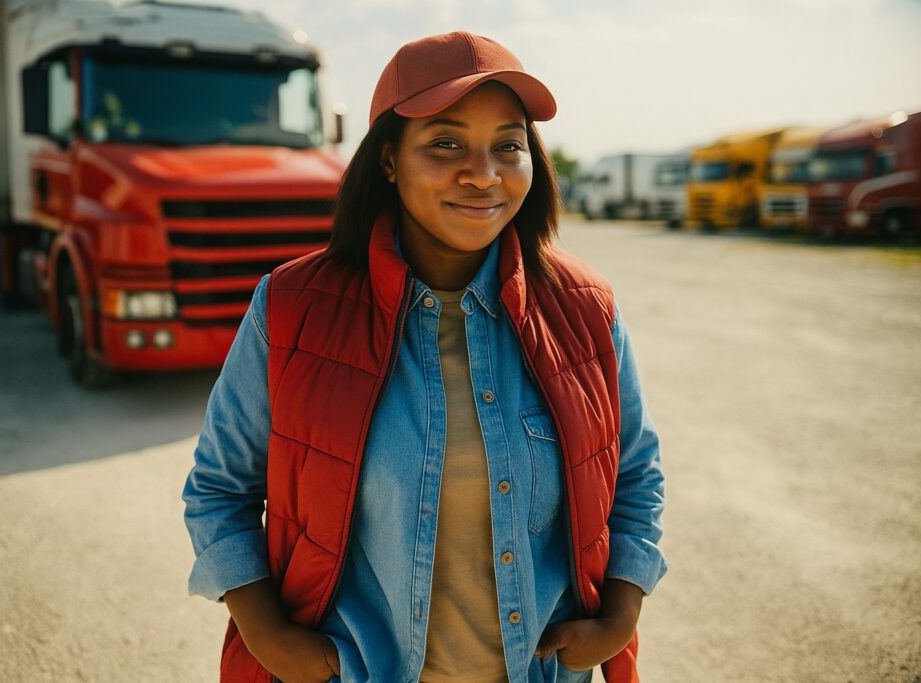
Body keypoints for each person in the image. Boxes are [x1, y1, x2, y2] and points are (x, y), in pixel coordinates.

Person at [182, 31, 666, 683]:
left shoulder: (586, 308)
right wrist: (271, 638)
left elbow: (635, 474)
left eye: (508, 145)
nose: (483, 173)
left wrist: (619, 616)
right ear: (389, 159)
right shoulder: (291, 308)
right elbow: (219, 489)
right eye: (446, 143)